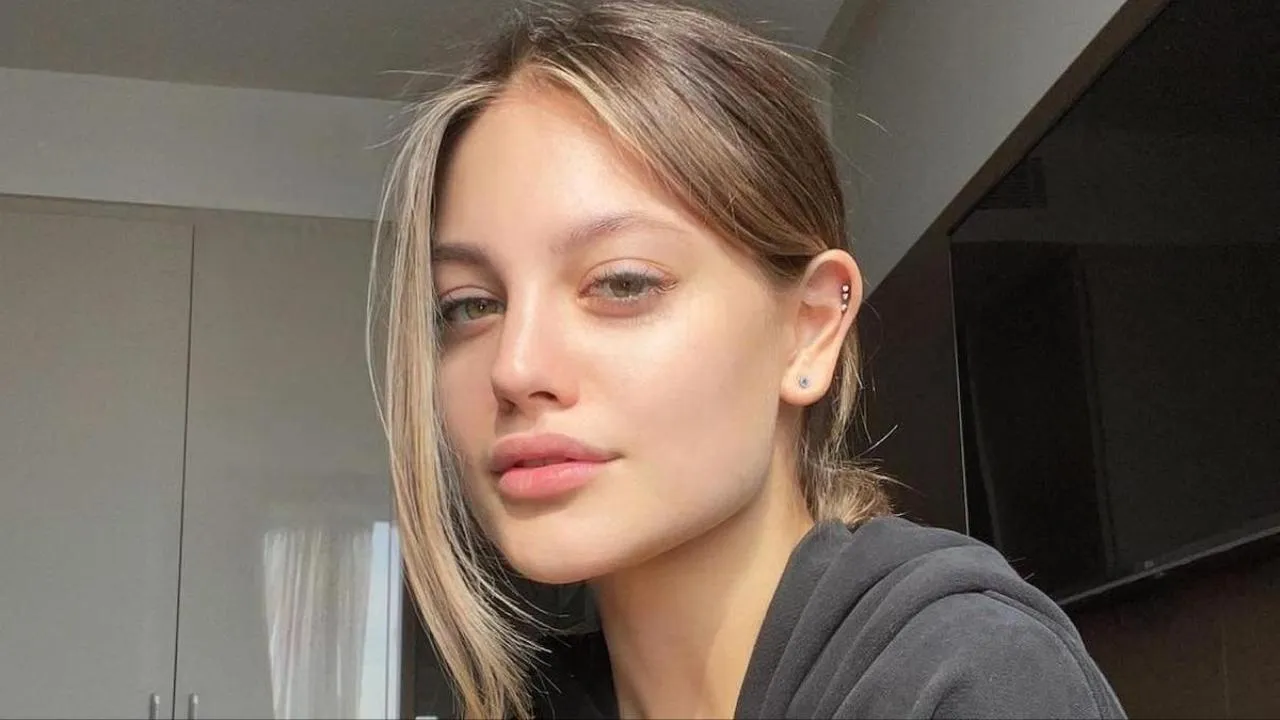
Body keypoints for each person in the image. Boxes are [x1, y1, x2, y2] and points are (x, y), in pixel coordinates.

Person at [370, 1, 1126, 718]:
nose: (514, 368)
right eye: (470, 305)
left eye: (623, 283)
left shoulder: (968, 676)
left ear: (809, 329)